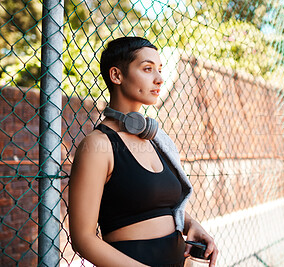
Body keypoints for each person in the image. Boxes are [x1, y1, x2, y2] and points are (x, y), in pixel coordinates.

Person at [68, 36, 218, 267]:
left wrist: (191, 225)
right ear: (116, 75)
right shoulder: (97, 146)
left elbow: (154, 206)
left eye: (159, 69)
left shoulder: (155, 141)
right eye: (148, 69)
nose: (159, 79)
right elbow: (83, 239)